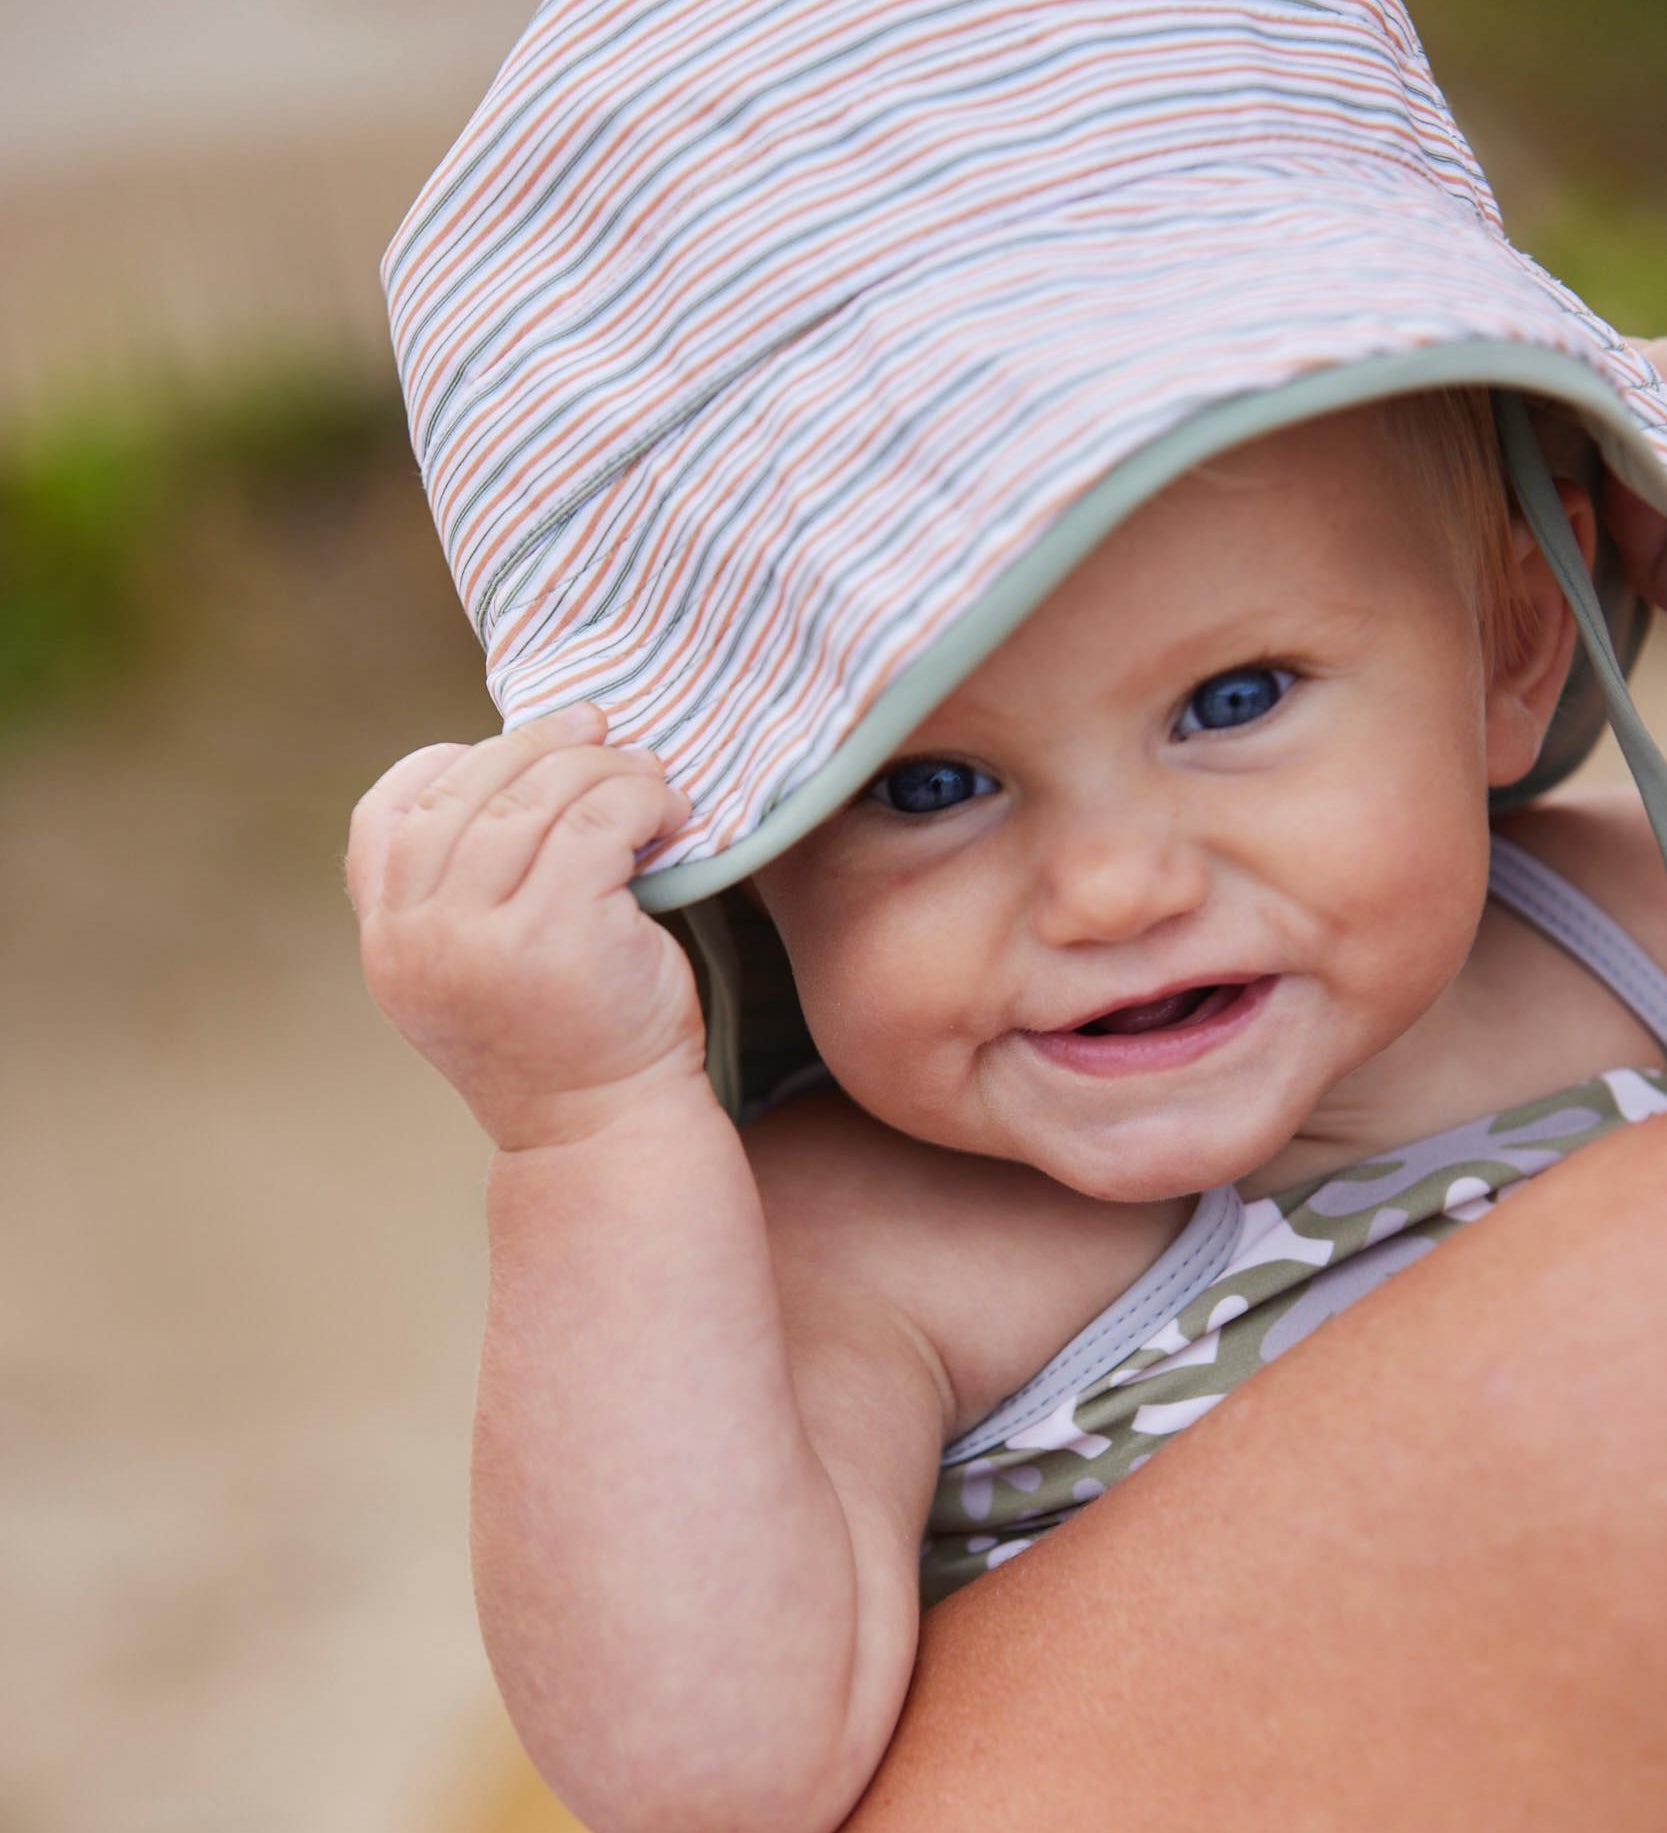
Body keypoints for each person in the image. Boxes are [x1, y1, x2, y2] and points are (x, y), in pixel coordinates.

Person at [351, 3, 1667, 1827]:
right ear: (743, 858)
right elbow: (703, 1770)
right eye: (928, 785)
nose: (1115, 886)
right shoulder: (864, 1246)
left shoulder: (1624, 923)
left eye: (1234, 700)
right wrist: (584, 1136)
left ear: (1516, 644)